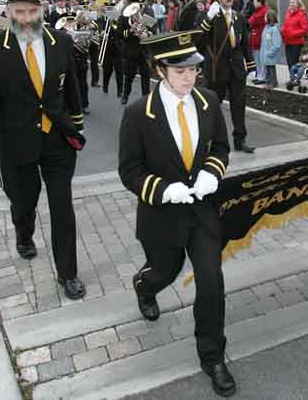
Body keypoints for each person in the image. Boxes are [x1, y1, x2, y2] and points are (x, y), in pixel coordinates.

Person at [118, 30, 236, 397]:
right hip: (162, 214)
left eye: (194, 70)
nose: (190, 77)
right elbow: (130, 169)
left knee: (211, 282)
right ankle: (144, 285)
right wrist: (164, 189)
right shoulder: (139, 113)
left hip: (201, 212)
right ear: (160, 70)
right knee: (164, 272)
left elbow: (220, 146)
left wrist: (210, 172)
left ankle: (212, 356)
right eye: (180, 70)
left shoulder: (209, 101)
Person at [0, 0, 86, 300]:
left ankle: (68, 273)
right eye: (19, 11)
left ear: (42, 10)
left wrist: (76, 124)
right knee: (23, 200)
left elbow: (71, 86)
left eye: (33, 11)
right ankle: (24, 231)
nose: (27, 18)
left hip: (57, 141)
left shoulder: (60, 41)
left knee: (63, 206)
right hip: (16, 141)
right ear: (8, 12)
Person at [199, 0, 257, 153]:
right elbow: (200, 41)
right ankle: (211, 143)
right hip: (217, 68)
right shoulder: (211, 17)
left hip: (237, 68)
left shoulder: (239, 17)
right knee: (213, 107)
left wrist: (251, 65)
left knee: (238, 106)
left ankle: (240, 140)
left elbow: (244, 43)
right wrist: (208, 19)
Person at [119, 0, 155, 104]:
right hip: (130, 52)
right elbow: (119, 35)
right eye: (137, 6)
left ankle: (146, 98)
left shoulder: (146, 18)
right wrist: (131, 30)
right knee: (129, 76)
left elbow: (153, 31)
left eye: (141, 6)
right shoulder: (123, 18)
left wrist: (147, 35)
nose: (139, 9)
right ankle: (125, 95)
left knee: (146, 76)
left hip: (143, 52)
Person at [281, 0, 308, 72]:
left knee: (293, 62)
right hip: (287, 41)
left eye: (293, 2)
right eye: (290, 2)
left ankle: (294, 79)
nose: (291, 4)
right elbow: (285, 24)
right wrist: (283, 30)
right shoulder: (288, 13)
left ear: (298, 4)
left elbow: (304, 29)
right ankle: (292, 79)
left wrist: (292, 33)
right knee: (289, 62)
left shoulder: (302, 14)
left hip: (296, 42)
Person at [248, 0, 268, 84]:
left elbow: (251, 21)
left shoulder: (263, 11)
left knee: (260, 59)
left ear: (260, 2)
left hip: (260, 38)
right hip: (255, 37)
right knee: (257, 59)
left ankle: (262, 77)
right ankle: (259, 75)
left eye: (255, 2)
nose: (253, 3)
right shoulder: (258, 11)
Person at [260, 9, 283, 90]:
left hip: (270, 55)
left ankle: (273, 83)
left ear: (270, 18)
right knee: (267, 70)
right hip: (265, 55)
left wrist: (270, 53)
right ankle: (268, 83)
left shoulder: (274, 29)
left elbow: (277, 44)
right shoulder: (266, 28)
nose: (264, 18)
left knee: (271, 70)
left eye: (265, 16)